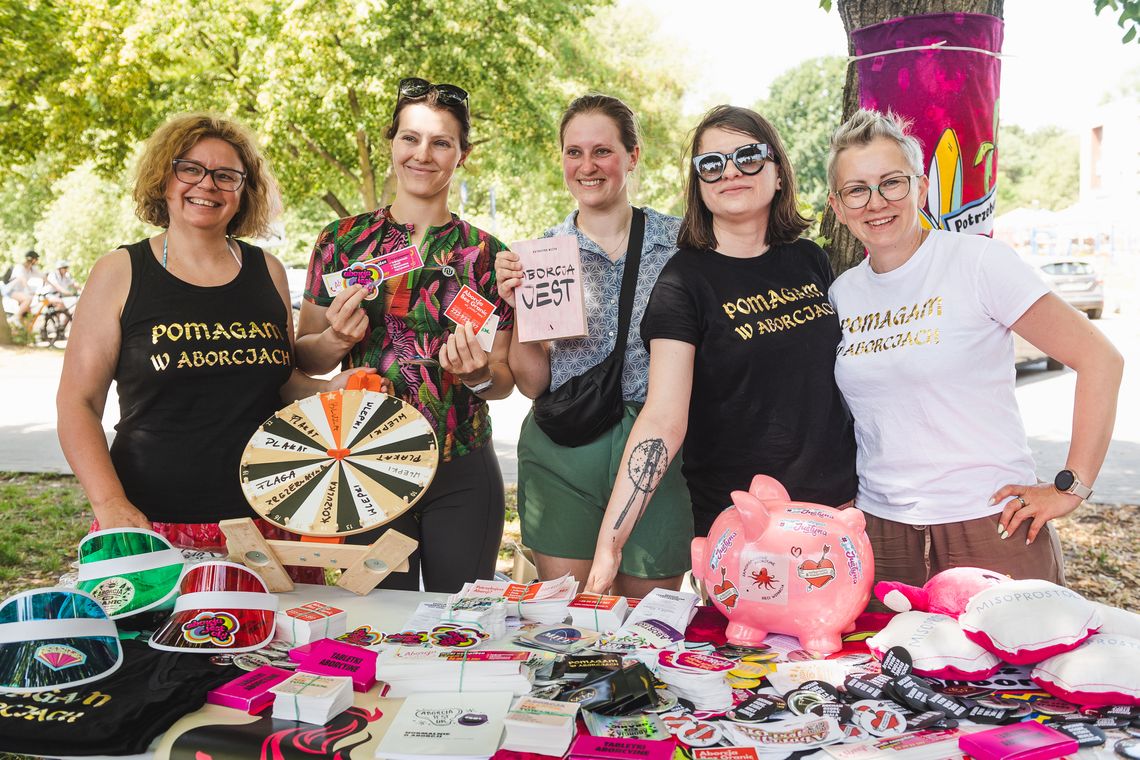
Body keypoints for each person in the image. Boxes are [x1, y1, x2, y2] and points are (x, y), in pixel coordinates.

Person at [825, 109, 1124, 588]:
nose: (876, 202)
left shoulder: (978, 263)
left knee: (1015, 663)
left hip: (991, 523)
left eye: (892, 183)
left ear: (921, 187)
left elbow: (1100, 360)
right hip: (882, 532)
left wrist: (1072, 486)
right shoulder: (843, 293)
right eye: (856, 189)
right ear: (838, 207)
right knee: (888, 664)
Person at [57, 113, 366, 577]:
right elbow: (77, 403)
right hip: (153, 522)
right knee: (156, 650)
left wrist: (335, 388)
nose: (208, 185)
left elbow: (280, 383)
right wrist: (110, 503)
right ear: (164, 178)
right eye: (191, 169)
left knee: (269, 649)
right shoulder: (120, 272)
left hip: (270, 521)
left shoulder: (268, 271)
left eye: (226, 175)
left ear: (244, 191)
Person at [584, 105, 858, 594]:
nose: (730, 171)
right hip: (742, 532)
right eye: (711, 163)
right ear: (699, 185)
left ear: (778, 173)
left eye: (748, 156)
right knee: (746, 665)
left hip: (832, 520)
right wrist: (611, 545)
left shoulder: (810, 260)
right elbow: (662, 420)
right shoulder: (683, 281)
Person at [296, 77, 515, 594]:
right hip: (364, 460)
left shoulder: (487, 255)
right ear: (390, 143)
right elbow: (304, 359)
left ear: (462, 155)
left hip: (461, 466)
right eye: (410, 138)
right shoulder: (341, 242)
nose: (424, 153)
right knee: (374, 623)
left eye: (442, 142)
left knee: (456, 626)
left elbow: (503, 382)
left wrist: (479, 374)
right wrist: (334, 340)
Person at [495, 94, 693, 597]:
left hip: (657, 448)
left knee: (649, 621)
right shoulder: (540, 254)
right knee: (571, 616)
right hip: (564, 447)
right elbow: (534, 381)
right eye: (573, 152)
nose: (587, 166)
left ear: (633, 155)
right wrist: (519, 309)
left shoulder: (682, 244)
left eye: (602, 151)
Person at [4, 250, 43, 322]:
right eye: (36, 259)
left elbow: (43, 277)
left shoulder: (32, 269)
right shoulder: (19, 267)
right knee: (28, 299)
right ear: (32, 259)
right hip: (10, 290)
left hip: (20, 291)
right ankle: (16, 318)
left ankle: (22, 331)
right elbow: (23, 280)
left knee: (28, 314)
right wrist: (29, 291)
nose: (37, 261)